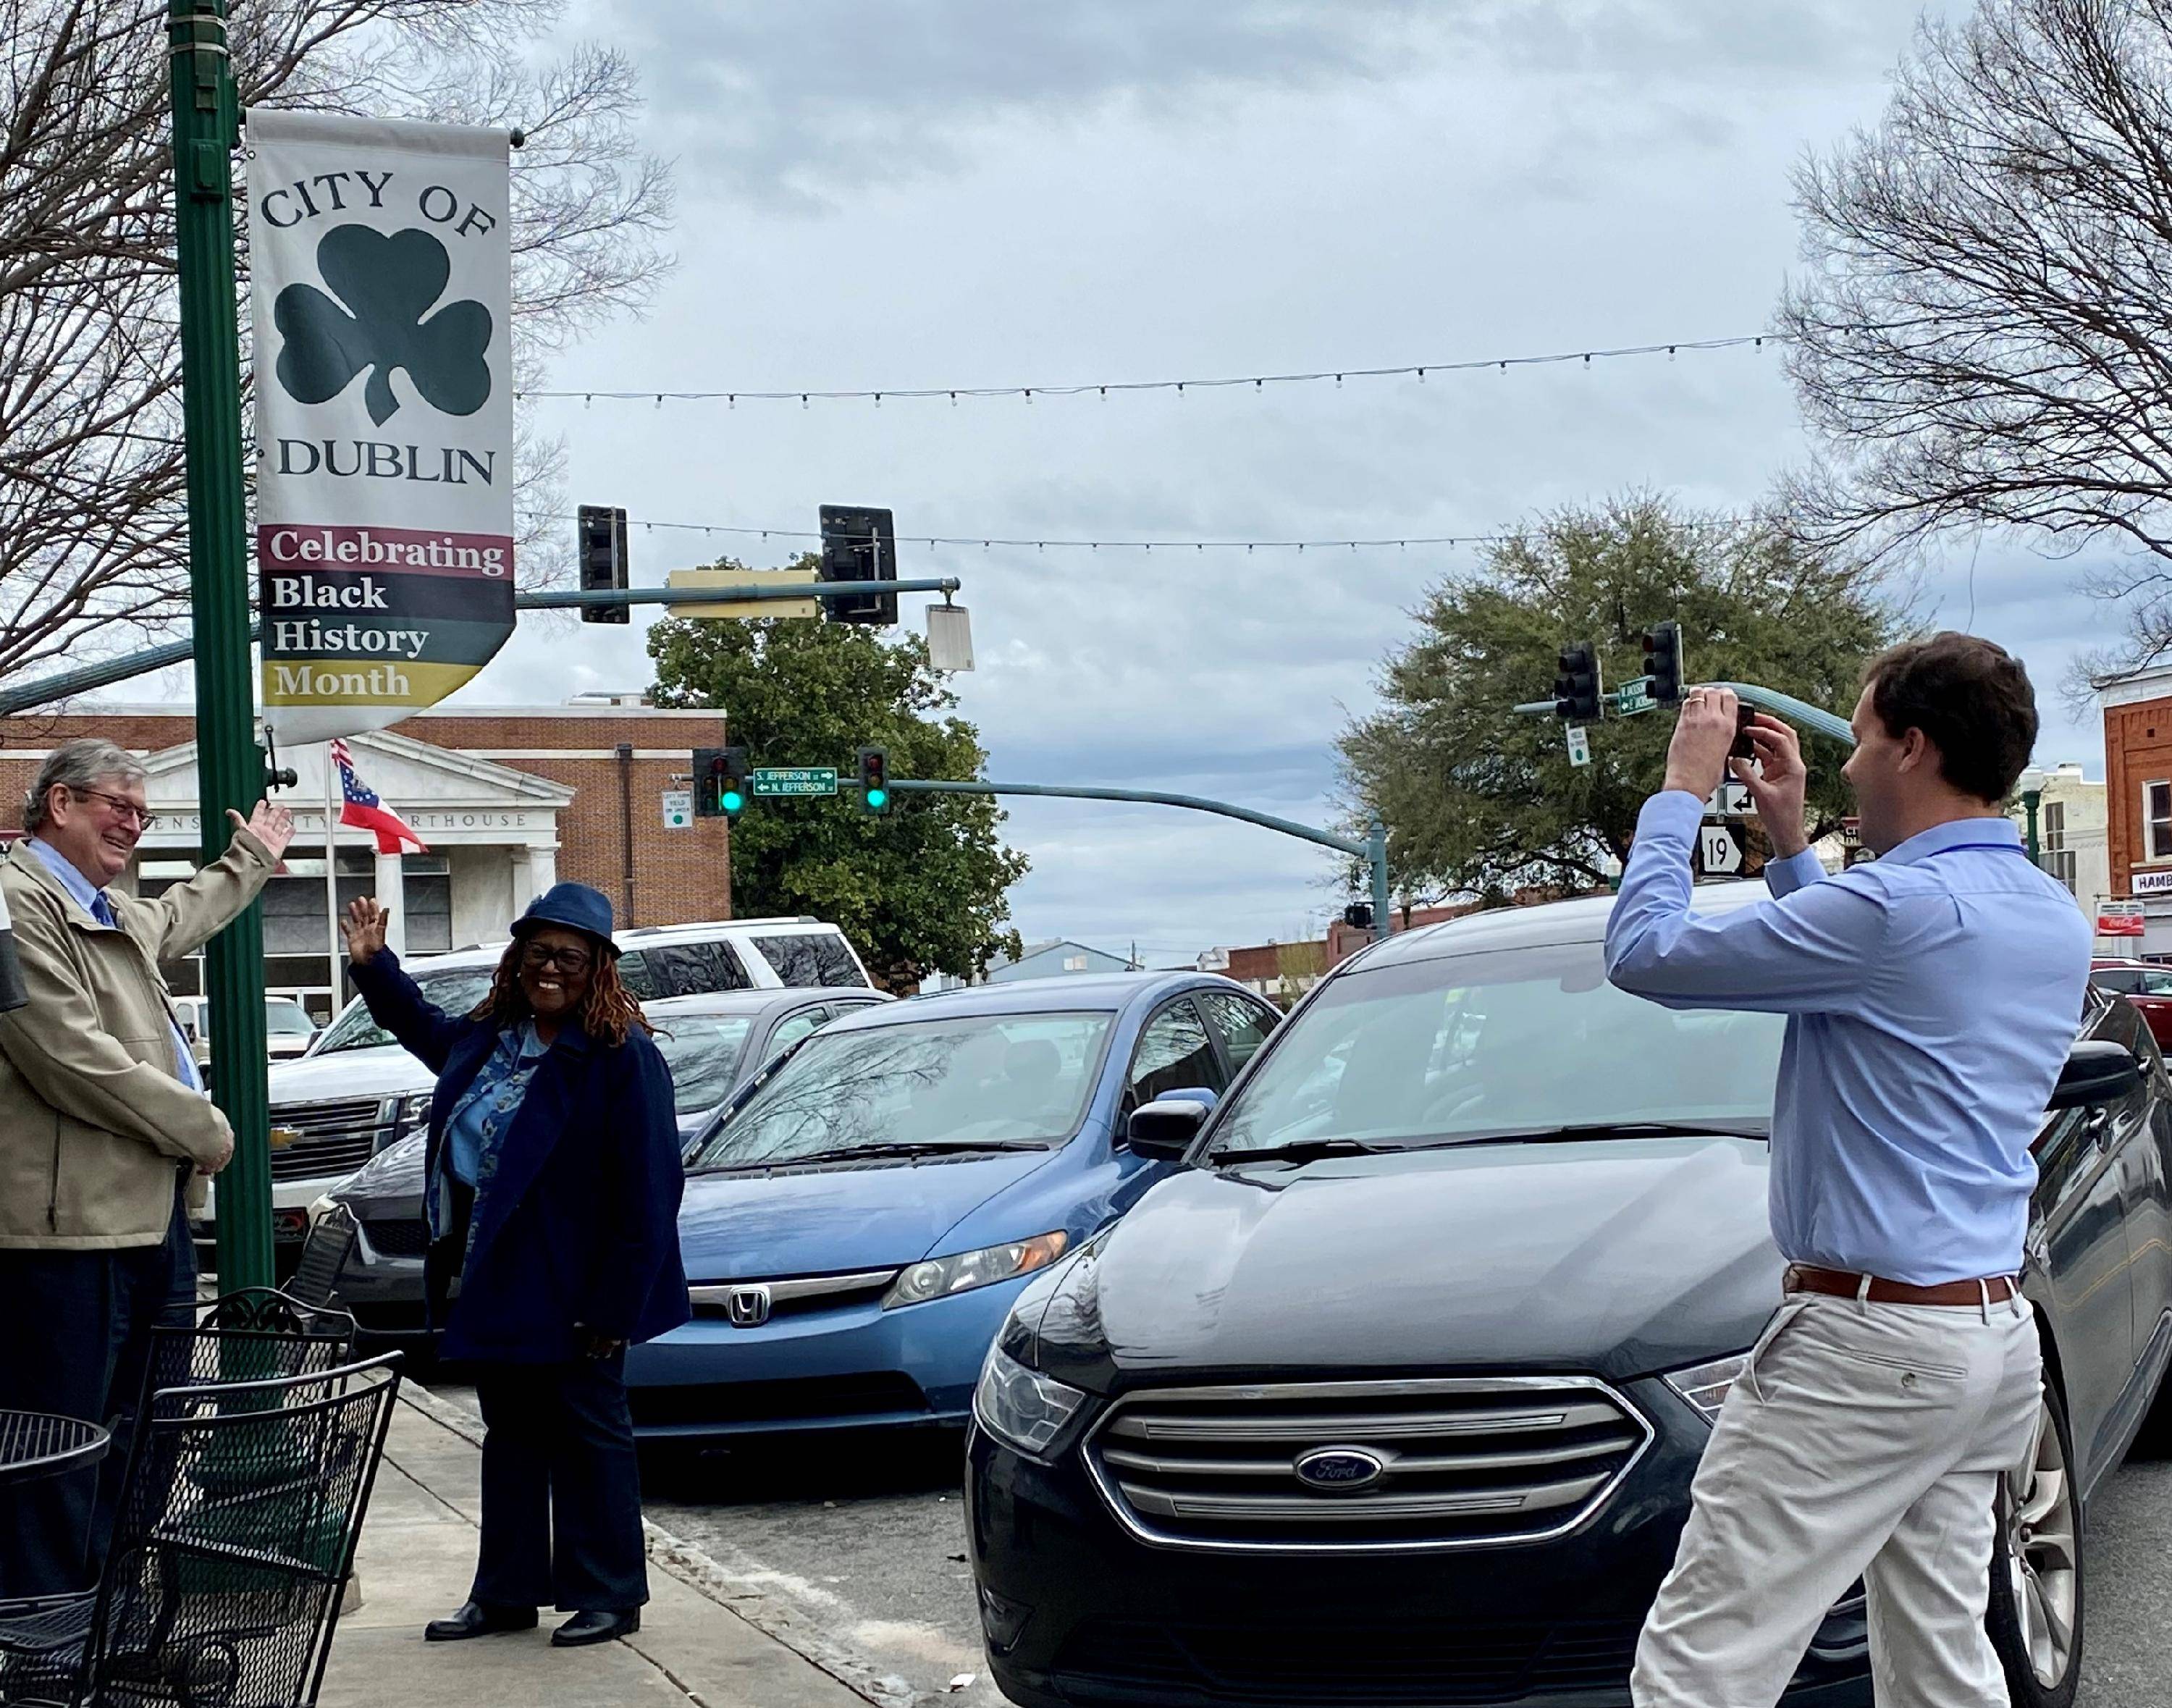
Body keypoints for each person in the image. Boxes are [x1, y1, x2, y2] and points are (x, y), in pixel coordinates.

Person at [1604, 634, 2091, 1708]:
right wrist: (1788, 841)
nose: (1854, 764)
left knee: (1699, 1666)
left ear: (1913, 746)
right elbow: (1853, 973)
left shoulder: (1892, 911)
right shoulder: (2045, 912)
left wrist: (1681, 792)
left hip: (1863, 1348)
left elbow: (1644, 953)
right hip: (1984, 1335)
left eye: (1865, 738)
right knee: (1941, 1656)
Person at [340, 881, 688, 1648]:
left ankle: (609, 1591)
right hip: (492, 1273)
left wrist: (614, 1307)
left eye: (568, 956)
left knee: (590, 1431)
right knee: (512, 1433)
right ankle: (506, 1592)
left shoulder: (622, 1059)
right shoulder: (493, 1037)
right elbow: (422, 1027)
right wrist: (374, 965)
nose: (550, 969)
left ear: (598, 966)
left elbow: (651, 1190)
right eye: (538, 955)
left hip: (578, 1284)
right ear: (516, 962)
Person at [0, 738, 295, 1596]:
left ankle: (116, 1621)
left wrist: (250, 859)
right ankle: (49, 1635)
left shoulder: (105, 905)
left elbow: (177, 917)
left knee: (147, 1432)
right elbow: (64, 1054)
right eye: (116, 807)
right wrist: (203, 1127)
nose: (132, 825)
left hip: (148, 1215)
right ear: (59, 804)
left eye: (142, 812)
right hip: (63, 1235)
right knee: (63, 1440)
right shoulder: (15, 903)